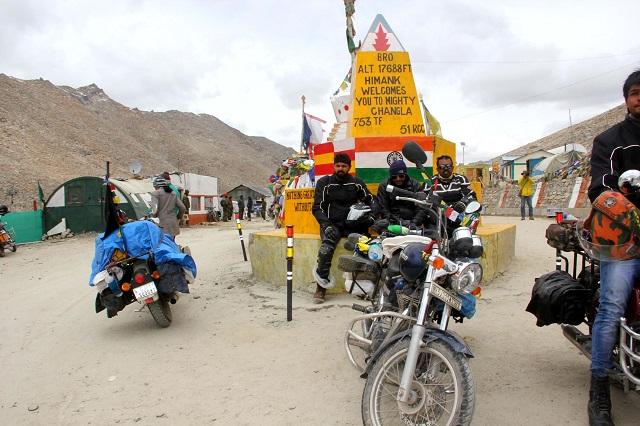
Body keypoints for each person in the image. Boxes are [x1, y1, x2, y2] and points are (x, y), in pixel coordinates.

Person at [585, 69, 640, 426]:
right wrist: (625, 202)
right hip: (623, 240)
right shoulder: (611, 140)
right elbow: (599, 188)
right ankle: (599, 391)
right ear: (626, 99)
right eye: (636, 93)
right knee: (612, 306)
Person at [312, 153, 374, 303]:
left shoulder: (356, 183)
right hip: (331, 224)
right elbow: (317, 207)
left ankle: (362, 287)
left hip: (352, 224)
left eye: (344, 166)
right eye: (338, 165)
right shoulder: (324, 183)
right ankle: (321, 286)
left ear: (349, 167)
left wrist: (371, 217)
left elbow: (371, 200)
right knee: (326, 249)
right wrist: (325, 224)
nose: (340, 168)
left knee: (365, 247)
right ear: (334, 166)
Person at [374, 160, 422, 228]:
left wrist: (414, 223)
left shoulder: (415, 185)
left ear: (405, 175)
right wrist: (394, 221)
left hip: (411, 221)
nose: (398, 179)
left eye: (401, 176)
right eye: (394, 177)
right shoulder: (384, 186)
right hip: (391, 222)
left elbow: (421, 208)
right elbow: (383, 208)